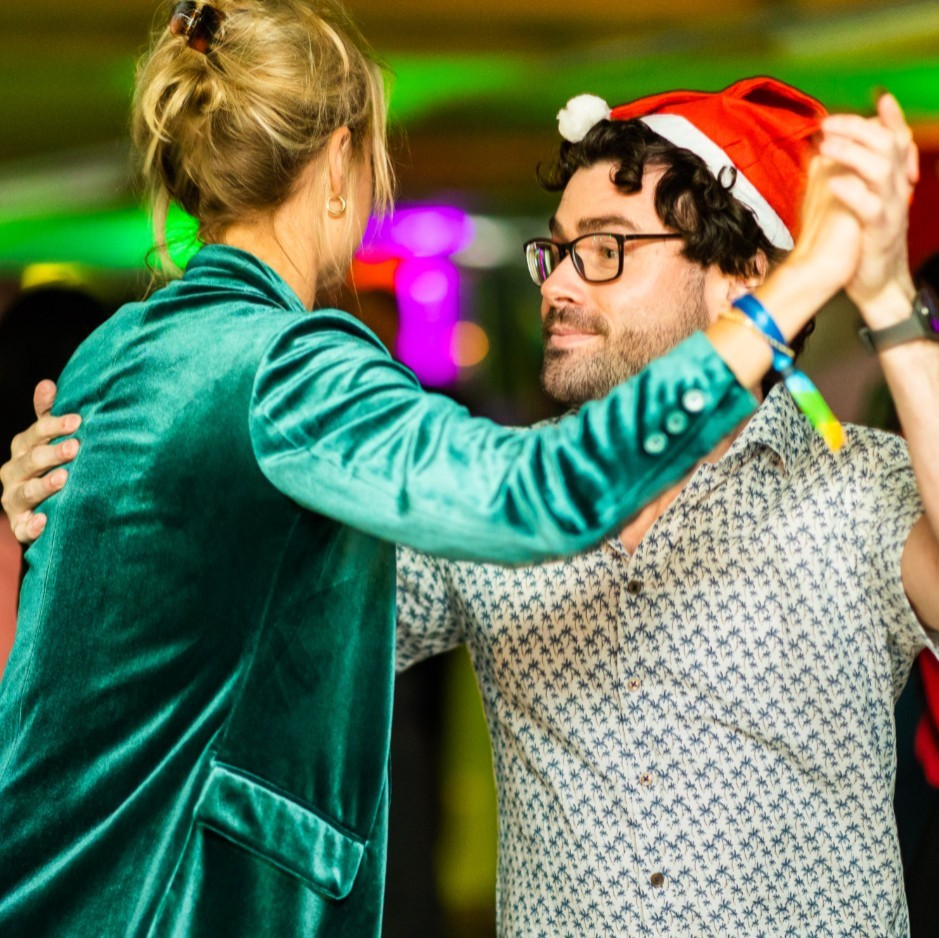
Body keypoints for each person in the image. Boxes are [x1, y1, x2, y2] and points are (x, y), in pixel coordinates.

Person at [0, 3, 862, 935]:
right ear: (339, 164)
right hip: (180, 905)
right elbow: (539, 493)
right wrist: (795, 288)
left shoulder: (110, 350)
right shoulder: (293, 365)